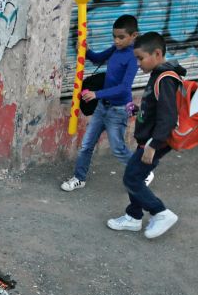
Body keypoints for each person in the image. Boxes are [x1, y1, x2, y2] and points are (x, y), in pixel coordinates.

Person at [61, 15, 151, 192]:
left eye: (121, 37)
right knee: (86, 145)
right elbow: (97, 58)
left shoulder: (133, 58)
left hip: (118, 110)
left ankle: (143, 172)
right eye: (114, 36)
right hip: (102, 106)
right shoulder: (116, 49)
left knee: (118, 149)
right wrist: (85, 50)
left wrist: (96, 94)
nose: (116, 41)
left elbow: (124, 87)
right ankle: (79, 178)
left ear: (134, 36)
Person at [107, 32, 183, 239]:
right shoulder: (159, 75)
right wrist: (138, 110)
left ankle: (160, 212)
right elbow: (156, 110)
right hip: (150, 139)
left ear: (157, 53)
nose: (138, 64)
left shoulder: (165, 79)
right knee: (136, 176)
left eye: (141, 58)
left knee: (132, 178)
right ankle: (133, 217)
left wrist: (152, 145)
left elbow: (167, 118)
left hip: (153, 142)